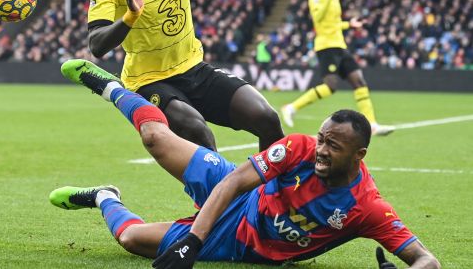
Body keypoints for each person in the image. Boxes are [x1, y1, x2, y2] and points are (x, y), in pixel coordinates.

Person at [51, 59, 441, 269]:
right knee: (156, 138)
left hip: (240, 244)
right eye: (322, 139)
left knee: (130, 240)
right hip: (243, 197)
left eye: (333, 146)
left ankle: (105, 197)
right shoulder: (299, 148)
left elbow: (427, 260)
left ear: (359, 157)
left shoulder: (366, 208)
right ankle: (112, 88)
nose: (321, 150)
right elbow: (236, 181)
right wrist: (192, 241)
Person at [86, 0, 283, 152]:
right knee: (197, 131)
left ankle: (273, 189)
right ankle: (221, 191)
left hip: (192, 68)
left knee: (266, 118)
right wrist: (130, 17)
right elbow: (96, 43)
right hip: (147, 80)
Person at [281, 0, 394, 136]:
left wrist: (349, 24)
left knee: (359, 81)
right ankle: (291, 107)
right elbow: (318, 19)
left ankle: (372, 124)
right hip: (326, 46)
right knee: (330, 86)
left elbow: (333, 23)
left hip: (340, 45)